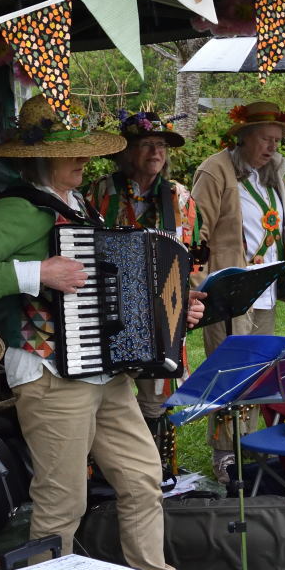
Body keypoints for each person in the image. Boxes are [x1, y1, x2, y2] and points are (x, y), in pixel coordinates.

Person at [0, 101, 219, 570]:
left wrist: (177, 306)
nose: (84, 164)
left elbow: (116, 285)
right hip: (48, 372)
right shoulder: (18, 209)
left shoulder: (75, 205)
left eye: (84, 156)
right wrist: (36, 270)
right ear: (42, 161)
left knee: (142, 478)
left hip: (101, 367)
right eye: (72, 155)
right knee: (61, 499)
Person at [87, 109, 203, 472]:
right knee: (106, 391)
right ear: (125, 151)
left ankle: (158, 469)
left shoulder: (180, 197)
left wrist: (188, 302)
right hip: (111, 304)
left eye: (161, 146)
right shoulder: (101, 192)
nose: (156, 153)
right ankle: (103, 471)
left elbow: (193, 256)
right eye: (147, 145)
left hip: (161, 309)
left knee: (157, 397)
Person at [190, 101, 285, 474]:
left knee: (255, 371)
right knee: (228, 370)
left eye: (278, 140)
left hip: (263, 289)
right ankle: (225, 452)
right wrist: (197, 284)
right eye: (266, 139)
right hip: (228, 291)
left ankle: (247, 443)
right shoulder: (216, 170)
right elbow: (195, 231)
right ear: (244, 137)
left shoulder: (272, 174)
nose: (273, 147)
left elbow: (280, 230)